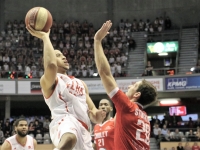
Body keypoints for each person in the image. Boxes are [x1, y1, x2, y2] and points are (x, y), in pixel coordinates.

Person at [26, 25, 106, 150]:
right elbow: (51, 65)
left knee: (73, 139)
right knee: (70, 138)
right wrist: (45, 37)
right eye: (57, 55)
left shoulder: (81, 83)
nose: (63, 57)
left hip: (84, 131)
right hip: (63, 121)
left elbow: (92, 111)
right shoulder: (49, 81)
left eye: (63, 55)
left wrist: (97, 115)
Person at [94, 20, 157, 150]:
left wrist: (97, 41)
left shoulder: (128, 107)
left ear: (137, 94)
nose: (129, 87)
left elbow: (104, 73)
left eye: (133, 86)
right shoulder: (144, 117)